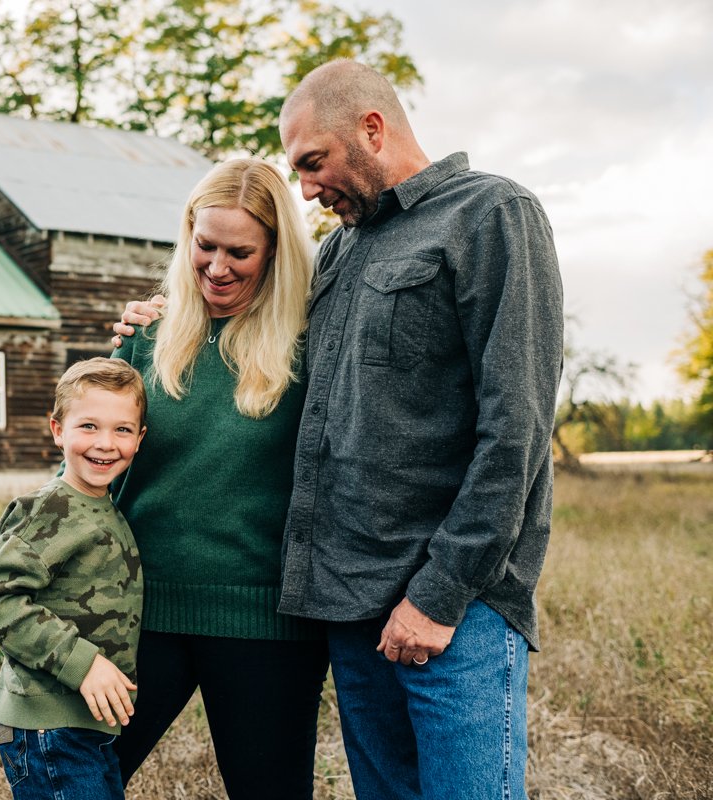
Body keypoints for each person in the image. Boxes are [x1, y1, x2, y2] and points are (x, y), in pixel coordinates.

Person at [116, 60, 565, 800]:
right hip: (351, 605)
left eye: (313, 163)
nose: (309, 187)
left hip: (453, 612)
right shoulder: (343, 251)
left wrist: (441, 593)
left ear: (372, 128)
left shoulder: (490, 214)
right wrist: (159, 318)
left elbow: (515, 430)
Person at [108, 157, 329, 799]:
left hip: (266, 623)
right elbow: (99, 464)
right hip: (141, 611)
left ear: (276, 252)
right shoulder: (148, 338)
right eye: (205, 245)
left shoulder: (311, 346)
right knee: (73, 779)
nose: (217, 266)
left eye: (240, 251)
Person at [0, 357, 148, 800]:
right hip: (48, 727)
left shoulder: (106, 507)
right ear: (57, 430)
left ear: (139, 439)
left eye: (122, 430)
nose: (105, 443)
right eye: (88, 426)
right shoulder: (47, 508)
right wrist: (81, 663)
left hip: (86, 725)